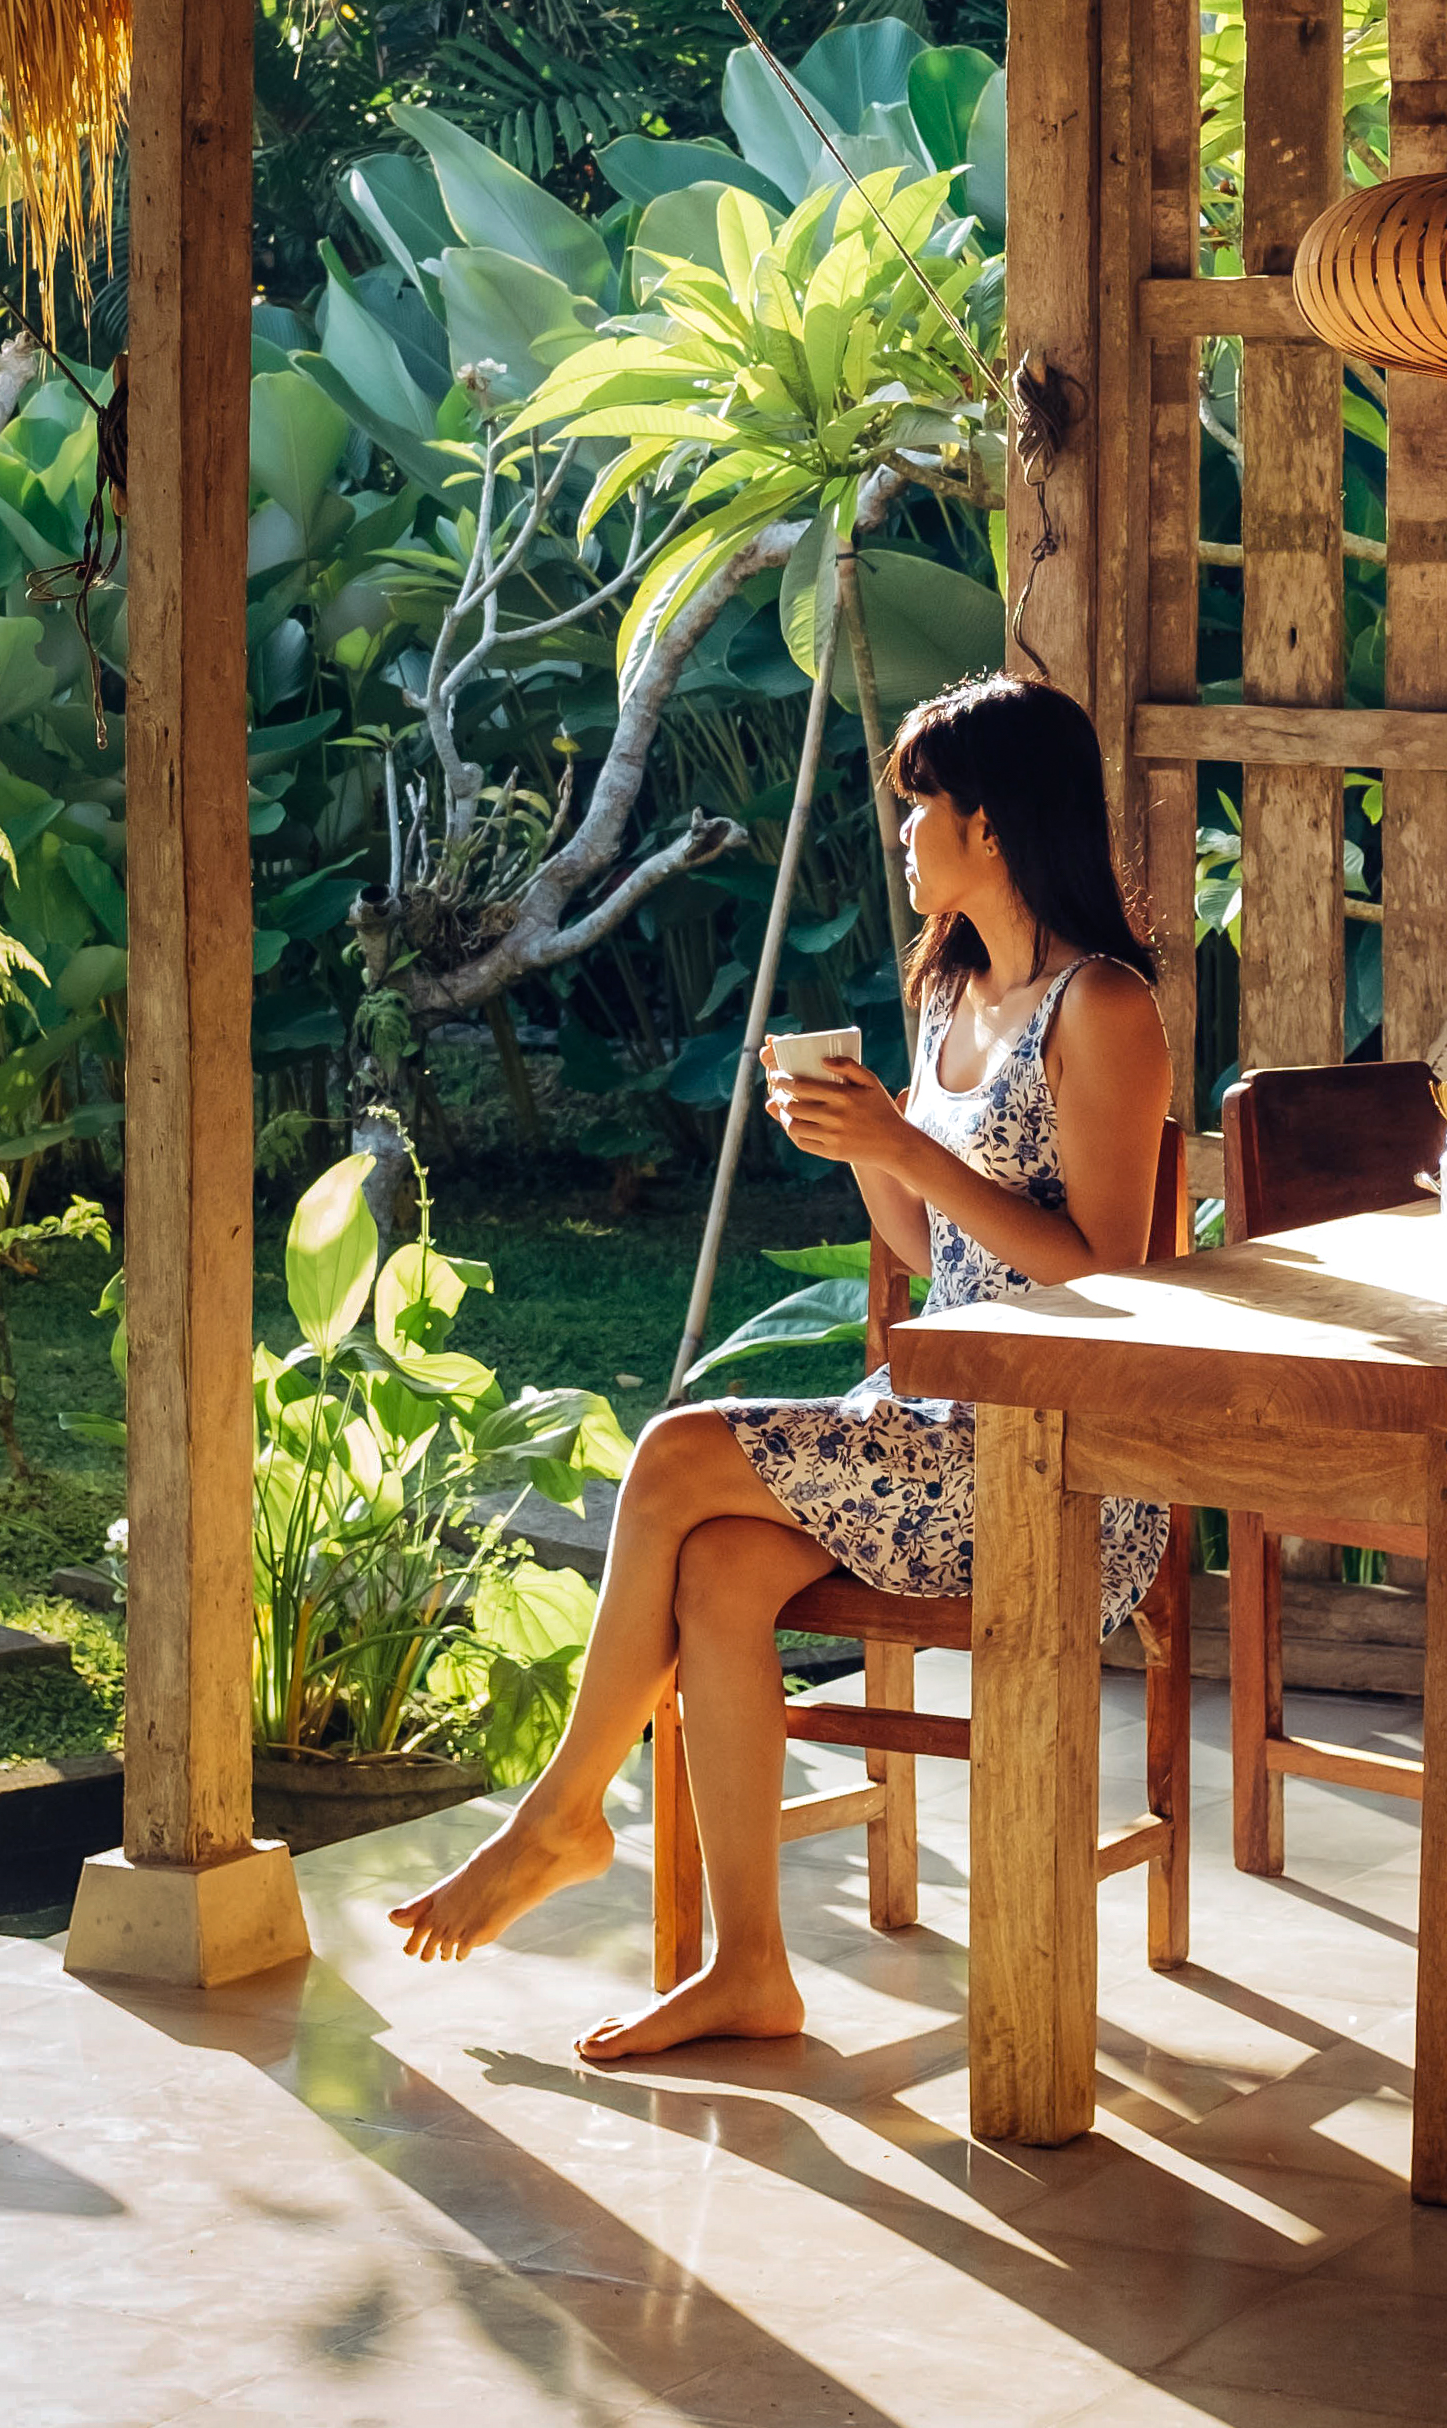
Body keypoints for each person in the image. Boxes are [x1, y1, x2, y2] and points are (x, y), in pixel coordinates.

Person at [388, 672, 1176, 2060]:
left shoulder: (1099, 1006)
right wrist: (860, 1142)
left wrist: (909, 1144)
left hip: (1063, 1458)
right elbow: (938, 1253)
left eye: (921, 805)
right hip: (936, 1420)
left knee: (675, 1450)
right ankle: (751, 1966)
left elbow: (1105, 1264)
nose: (903, 832)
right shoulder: (952, 997)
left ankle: (558, 1815)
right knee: (716, 1569)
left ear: (990, 824)